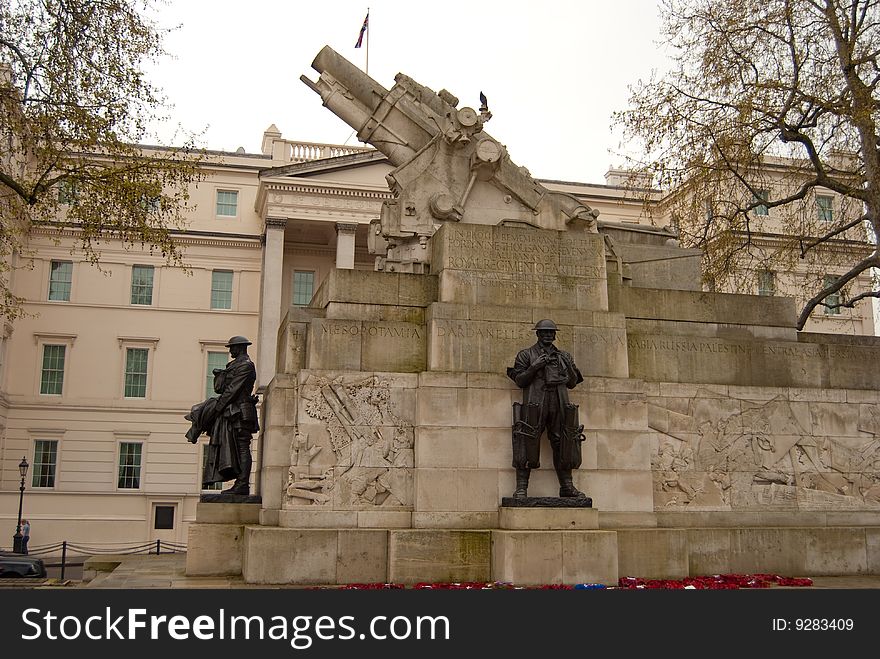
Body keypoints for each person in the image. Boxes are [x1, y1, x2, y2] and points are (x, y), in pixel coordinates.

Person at [507, 319, 587, 499]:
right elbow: (520, 381)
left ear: (555, 334)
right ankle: (522, 488)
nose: (548, 335)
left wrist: (569, 366)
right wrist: (535, 366)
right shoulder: (526, 354)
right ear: (537, 334)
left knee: (564, 442)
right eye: (544, 332)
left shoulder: (564, 356)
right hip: (535, 402)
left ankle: (567, 486)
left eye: (551, 332)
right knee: (526, 439)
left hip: (559, 401)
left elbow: (573, 383)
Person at [185, 335, 259, 495]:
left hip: (240, 412)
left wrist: (216, 408)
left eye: (232, 348)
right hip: (232, 411)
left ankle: (242, 485)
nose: (230, 350)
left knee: (242, 448)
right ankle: (239, 483)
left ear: (240, 348)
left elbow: (232, 390)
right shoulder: (234, 365)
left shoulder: (246, 366)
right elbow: (221, 389)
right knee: (236, 448)